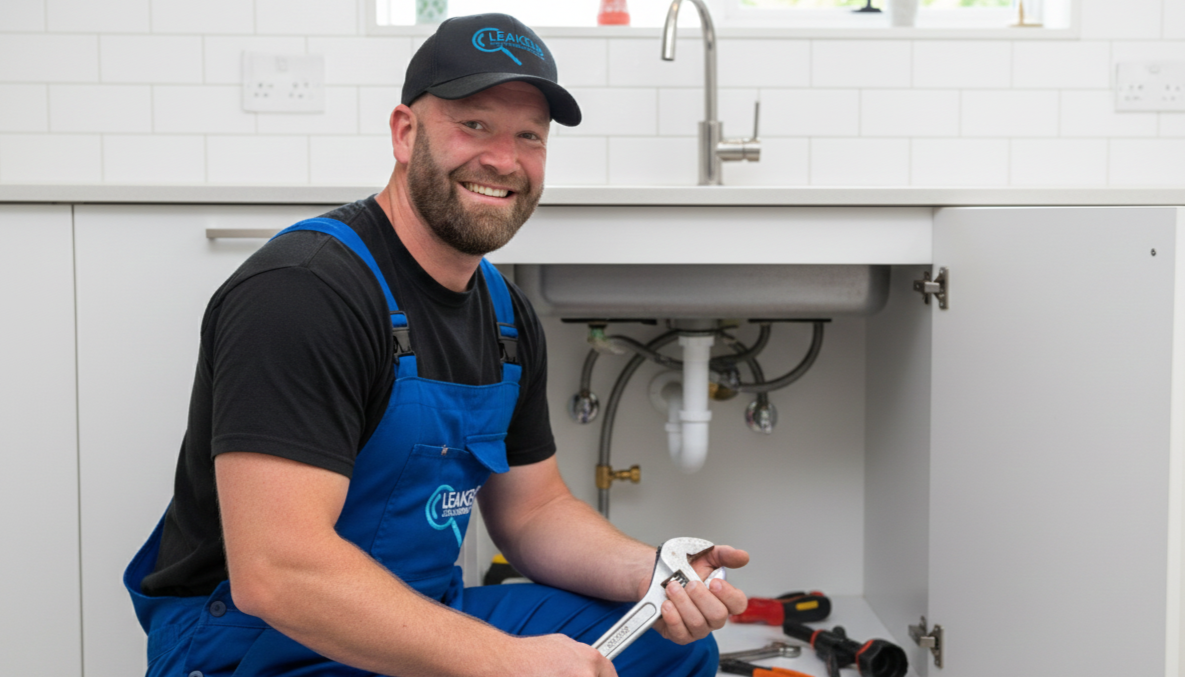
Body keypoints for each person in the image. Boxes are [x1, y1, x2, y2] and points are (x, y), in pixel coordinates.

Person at [124, 13, 749, 677]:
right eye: (474, 124)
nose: (503, 159)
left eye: (528, 137)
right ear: (404, 132)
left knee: (669, 644)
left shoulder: (506, 315)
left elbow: (533, 511)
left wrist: (654, 573)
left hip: (416, 611)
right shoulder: (305, 291)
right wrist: (501, 659)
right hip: (256, 644)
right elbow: (278, 573)